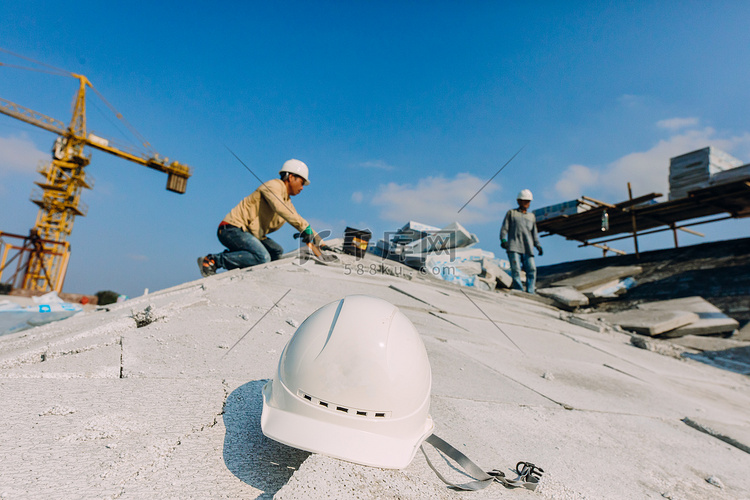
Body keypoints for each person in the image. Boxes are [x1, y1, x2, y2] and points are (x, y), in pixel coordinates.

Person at [198, 159, 322, 276]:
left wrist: (318, 240)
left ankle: (251, 268)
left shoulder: (287, 201)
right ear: (291, 177)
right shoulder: (273, 186)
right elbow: (281, 209)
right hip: (231, 229)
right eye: (301, 183)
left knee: (276, 251)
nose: (302, 188)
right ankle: (213, 260)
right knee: (263, 257)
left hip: (250, 233)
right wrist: (304, 229)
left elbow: (296, 218)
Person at [500, 189, 543, 294]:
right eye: (525, 200)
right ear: (519, 201)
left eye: (528, 201)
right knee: (516, 269)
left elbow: (534, 233)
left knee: (532, 269)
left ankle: (530, 290)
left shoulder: (531, 216)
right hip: (514, 246)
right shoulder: (512, 213)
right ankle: (519, 289)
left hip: (528, 248)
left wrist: (538, 245)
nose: (527, 203)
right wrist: (503, 240)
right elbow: (504, 228)